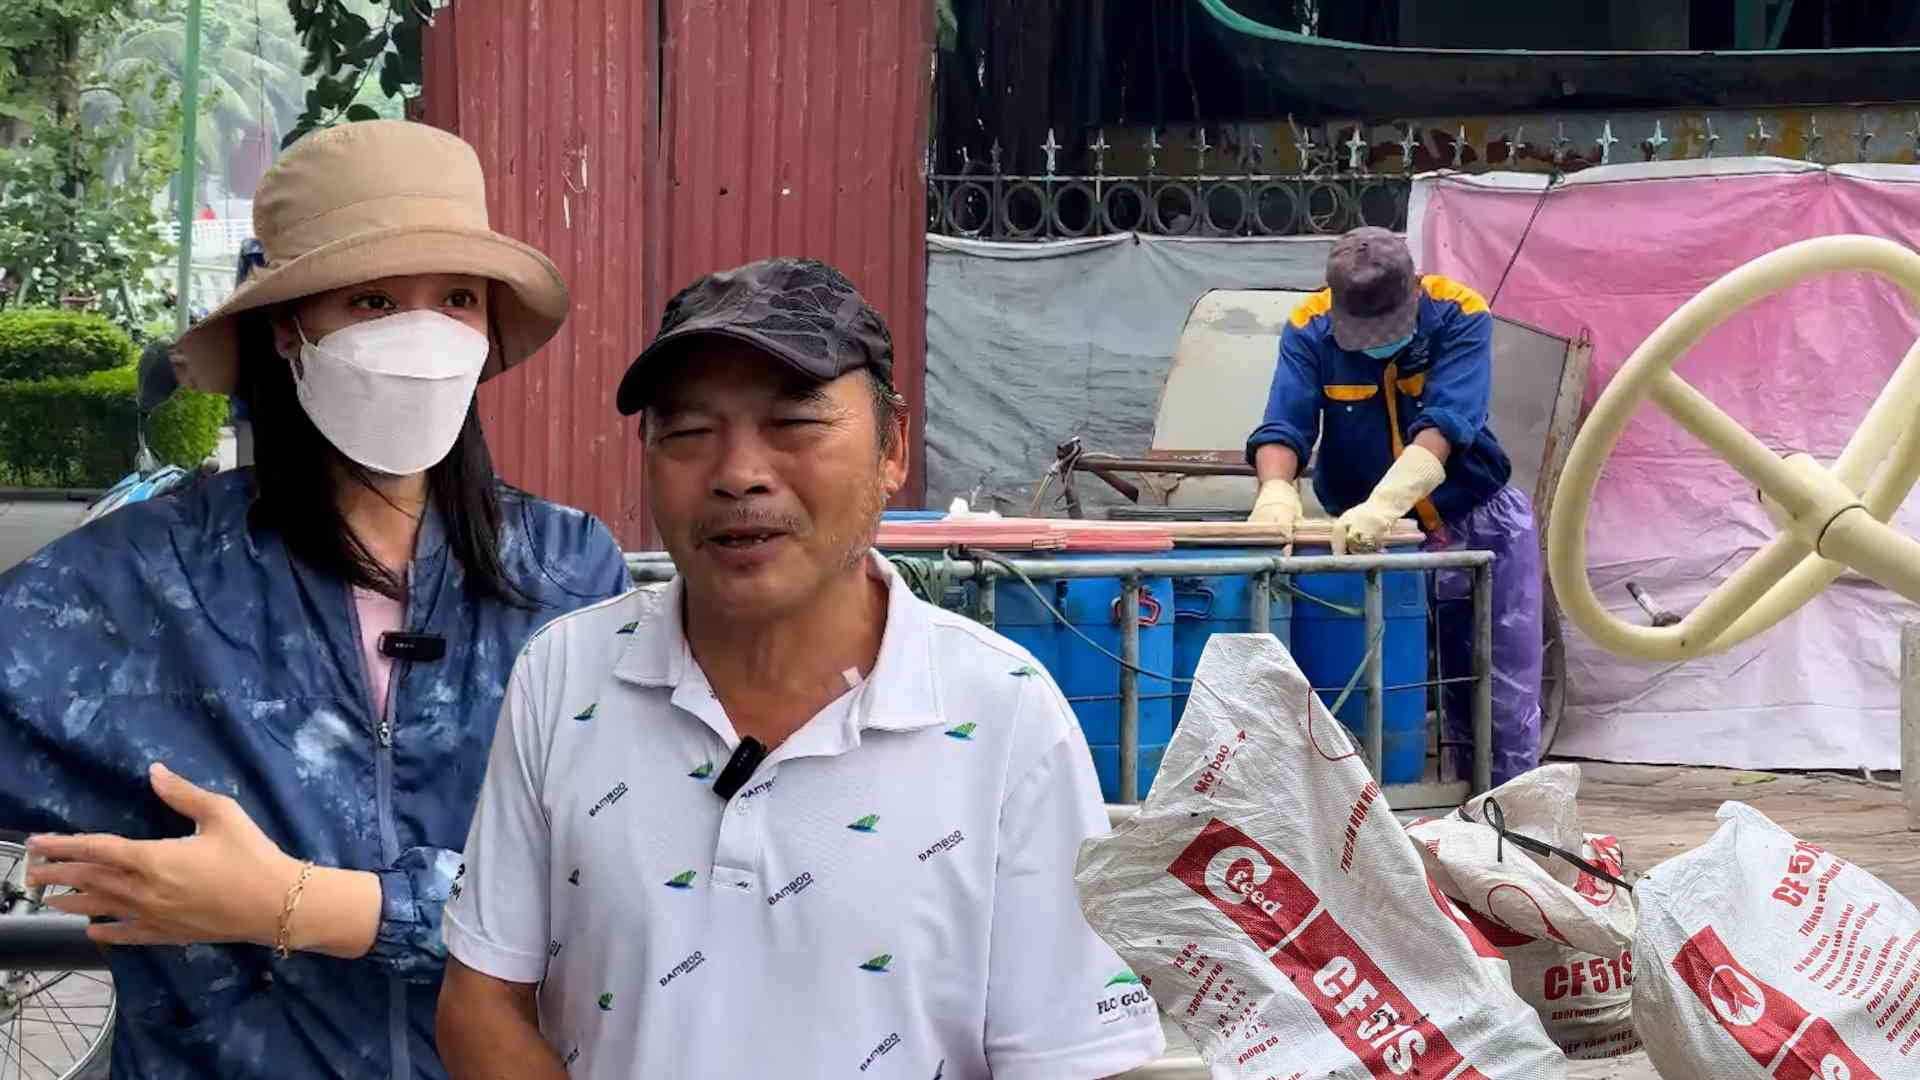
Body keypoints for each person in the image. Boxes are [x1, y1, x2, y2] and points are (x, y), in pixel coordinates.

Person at [0, 119, 631, 1077]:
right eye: (374, 300)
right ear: (291, 328)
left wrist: (287, 902)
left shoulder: (568, 573)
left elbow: (612, 892)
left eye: (455, 298)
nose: (420, 334)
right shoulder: (147, 575)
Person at [434, 257, 1166, 1079]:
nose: (739, 473)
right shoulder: (563, 679)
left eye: (793, 423)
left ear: (891, 446)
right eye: (687, 432)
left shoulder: (1004, 717)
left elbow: (1073, 1056)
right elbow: (482, 1001)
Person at [1245, 226, 1542, 785]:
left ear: (1413, 291)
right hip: (1371, 541)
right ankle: (1378, 847)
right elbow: (1286, 423)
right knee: (1372, 699)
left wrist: (1387, 503)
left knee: (1497, 702)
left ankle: (1504, 842)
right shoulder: (1311, 327)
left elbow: (1447, 425)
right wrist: (1276, 492)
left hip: (1476, 521)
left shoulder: (1459, 313)